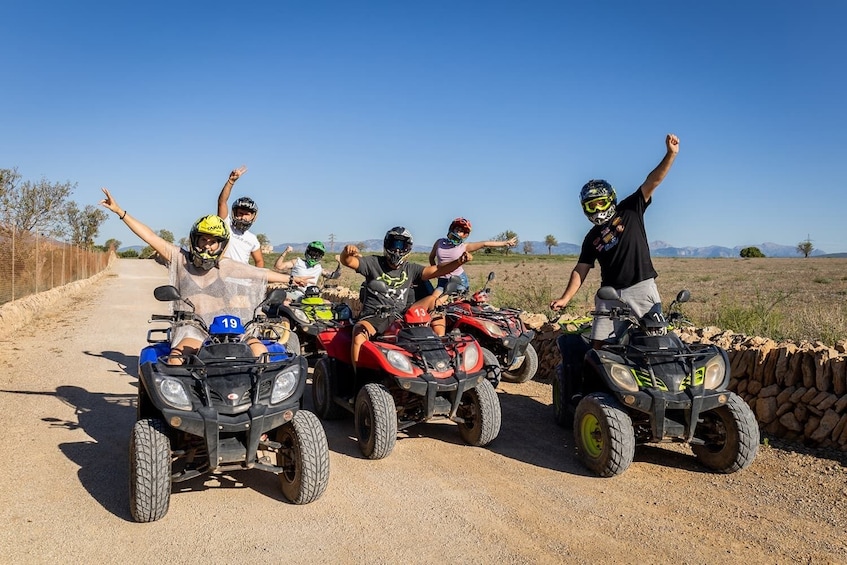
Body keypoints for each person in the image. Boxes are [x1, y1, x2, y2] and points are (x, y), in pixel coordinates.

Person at [100, 188, 305, 364]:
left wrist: (290, 279)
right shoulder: (180, 259)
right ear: (194, 240)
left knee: (260, 352)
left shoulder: (226, 266)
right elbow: (151, 237)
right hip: (193, 329)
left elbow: (259, 273)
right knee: (176, 359)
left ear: (221, 245)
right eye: (203, 240)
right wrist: (120, 212)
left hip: (228, 329)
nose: (207, 245)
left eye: (213, 241)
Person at [550, 133, 680, 347]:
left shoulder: (630, 209)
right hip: (609, 293)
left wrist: (670, 155)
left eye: (601, 203)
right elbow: (580, 270)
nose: (597, 209)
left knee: (656, 341)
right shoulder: (591, 237)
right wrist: (565, 298)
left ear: (611, 199)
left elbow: (652, 181)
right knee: (599, 345)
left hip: (641, 287)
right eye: (591, 206)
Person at [340, 226, 473, 371]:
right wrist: (347, 252)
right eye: (394, 244)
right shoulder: (373, 263)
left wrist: (459, 261)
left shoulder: (410, 269)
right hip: (374, 316)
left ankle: (438, 343)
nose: (397, 250)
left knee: (433, 300)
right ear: (386, 244)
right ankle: (357, 378)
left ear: (408, 248)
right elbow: (348, 262)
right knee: (359, 335)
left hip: (402, 314)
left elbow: (438, 270)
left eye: (401, 245)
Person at [429, 217, 517, 296]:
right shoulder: (439, 242)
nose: (458, 232)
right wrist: (436, 272)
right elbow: (431, 257)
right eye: (457, 229)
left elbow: (484, 244)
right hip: (442, 280)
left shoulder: (463, 247)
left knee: (457, 306)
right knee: (434, 301)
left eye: (461, 231)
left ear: (464, 235)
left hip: (458, 279)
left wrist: (505, 243)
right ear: (452, 229)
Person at [217, 165, 264, 267]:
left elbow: (259, 261)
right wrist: (231, 182)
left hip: (241, 278)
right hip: (221, 274)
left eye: (247, 214)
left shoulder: (252, 239)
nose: (243, 217)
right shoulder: (226, 225)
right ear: (235, 213)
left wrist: (255, 279)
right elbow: (222, 202)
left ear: (253, 217)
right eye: (240, 213)